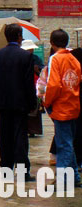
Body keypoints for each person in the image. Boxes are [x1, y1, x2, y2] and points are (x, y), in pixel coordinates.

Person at [0, 24, 36, 181]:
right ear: (19, 36)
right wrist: (32, 103)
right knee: (20, 138)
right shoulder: (25, 56)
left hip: (2, 103)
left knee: (4, 138)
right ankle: (23, 172)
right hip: (20, 103)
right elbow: (28, 83)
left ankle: (6, 171)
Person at [44, 29, 82, 187]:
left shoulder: (55, 58)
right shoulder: (74, 59)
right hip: (74, 105)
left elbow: (54, 84)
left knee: (63, 144)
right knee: (68, 143)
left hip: (61, 107)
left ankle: (62, 180)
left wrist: (47, 101)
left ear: (52, 43)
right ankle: (74, 177)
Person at [21, 39, 44, 136]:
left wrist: (37, 70)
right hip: (24, 86)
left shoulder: (36, 59)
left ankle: (33, 131)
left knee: (35, 110)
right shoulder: (21, 58)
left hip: (35, 85)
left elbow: (42, 73)